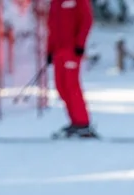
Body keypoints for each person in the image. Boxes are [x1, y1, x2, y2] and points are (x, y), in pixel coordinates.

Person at [47, 0, 94, 138]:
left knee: (71, 85)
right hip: (58, 52)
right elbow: (52, 26)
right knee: (61, 86)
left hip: (72, 50)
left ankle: (83, 123)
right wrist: (49, 50)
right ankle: (75, 122)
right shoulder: (55, 2)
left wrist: (80, 43)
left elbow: (87, 20)